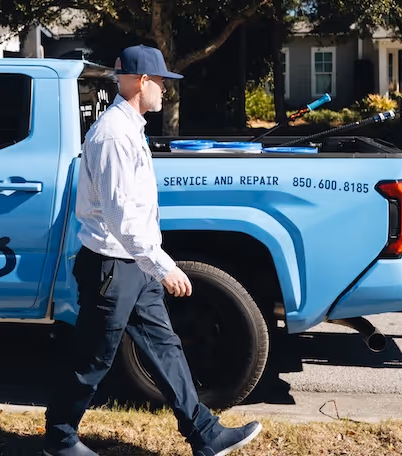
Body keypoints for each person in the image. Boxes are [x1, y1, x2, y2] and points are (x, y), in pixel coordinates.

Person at [42, 45, 263, 456]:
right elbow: (121, 217)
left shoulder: (130, 129)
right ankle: (59, 439)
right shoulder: (112, 135)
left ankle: (205, 435)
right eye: (161, 81)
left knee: (165, 347)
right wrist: (163, 267)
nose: (165, 90)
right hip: (113, 267)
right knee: (92, 360)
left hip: (132, 266)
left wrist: (151, 264)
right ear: (142, 81)